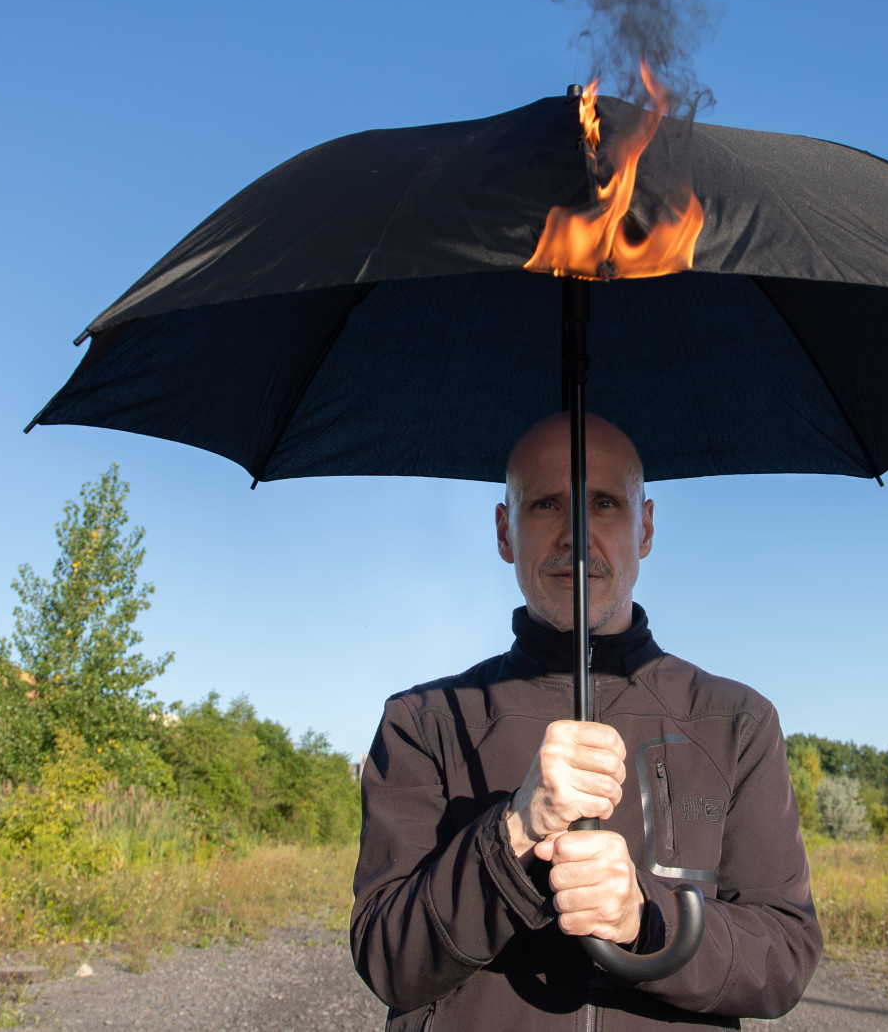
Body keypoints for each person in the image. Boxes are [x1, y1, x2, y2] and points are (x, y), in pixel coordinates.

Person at [350, 412, 822, 1030]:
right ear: (504, 532)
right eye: (546, 505)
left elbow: (784, 958)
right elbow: (389, 962)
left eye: (604, 504)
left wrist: (647, 920)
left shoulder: (736, 721)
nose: (575, 534)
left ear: (645, 526)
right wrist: (514, 830)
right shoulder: (423, 722)